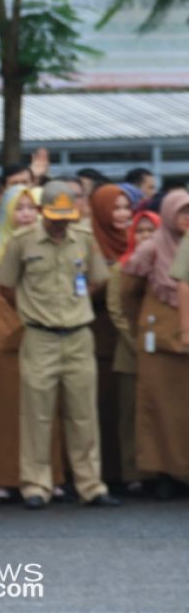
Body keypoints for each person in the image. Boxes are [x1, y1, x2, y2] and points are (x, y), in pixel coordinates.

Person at [0, 181, 119, 510]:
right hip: (40, 337)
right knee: (36, 415)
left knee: (83, 415)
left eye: (66, 215)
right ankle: (36, 485)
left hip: (78, 335)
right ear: (40, 212)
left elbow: (98, 280)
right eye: (53, 216)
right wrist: (31, 310)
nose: (60, 222)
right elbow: (5, 286)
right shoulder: (22, 242)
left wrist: (74, 304)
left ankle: (91, 485)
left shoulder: (84, 238)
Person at [0, 186, 64, 501]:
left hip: (44, 334)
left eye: (31, 207)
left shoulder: (51, 243)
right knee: (5, 411)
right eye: (19, 207)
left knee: (46, 410)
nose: (25, 213)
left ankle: (50, 475)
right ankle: (3, 478)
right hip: (2, 339)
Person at [125, 189, 189, 500]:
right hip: (158, 341)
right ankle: (161, 474)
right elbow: (127, 291)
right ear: (167, 213)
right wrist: (142, 324)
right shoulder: (151, 248)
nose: (186, 218)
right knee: (158, 410)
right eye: (182, 211)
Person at [108, 210, 159, 494]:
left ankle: (160, 472)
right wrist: (137, 344)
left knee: (158, 415)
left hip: (161, 352)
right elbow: (117, 312)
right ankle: (132, 473)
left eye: (150, 231)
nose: (145, 236)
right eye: (139, 231)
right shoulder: (121, 268)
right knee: (129, 416)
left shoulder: (167, 268)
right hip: (130, 353)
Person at [88, 184, 132, 487]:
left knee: (128, 408)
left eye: (126, 207)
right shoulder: (91, 244)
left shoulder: (139, 241)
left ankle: (132, 473)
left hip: (131, 340)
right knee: (103, 407)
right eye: (115, 208)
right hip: (100, 339)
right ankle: (105, 475)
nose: (122, 214)